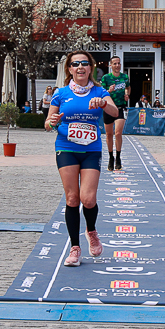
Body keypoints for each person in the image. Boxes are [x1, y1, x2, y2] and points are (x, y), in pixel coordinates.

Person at [45, 51, 119, 267]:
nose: (80, 67)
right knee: (72, 199)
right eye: (75, 64)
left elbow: (115, 112)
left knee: (88, 199)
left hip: (91, 149)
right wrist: (53, 122)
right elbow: (47, 124)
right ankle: (75, 248)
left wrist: (103, 104)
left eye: (84, 64)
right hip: (66, 147)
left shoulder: (99, 91)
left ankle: (91, 231)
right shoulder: (60, 93)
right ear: (69, 69)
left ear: (90, 68)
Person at [100, 56, 130, 171]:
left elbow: (128, 87)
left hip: (121, 107)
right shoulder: (106, 78)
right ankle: (110, 157)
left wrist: (127, 94)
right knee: (109, 134)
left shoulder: (124, 77)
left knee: (118, 133)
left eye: (119, 63)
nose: (117, 65)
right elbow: (101, 93)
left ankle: (118, 157)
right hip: (108, 107)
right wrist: (109, 91)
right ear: (110, 65)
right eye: (115, 63)